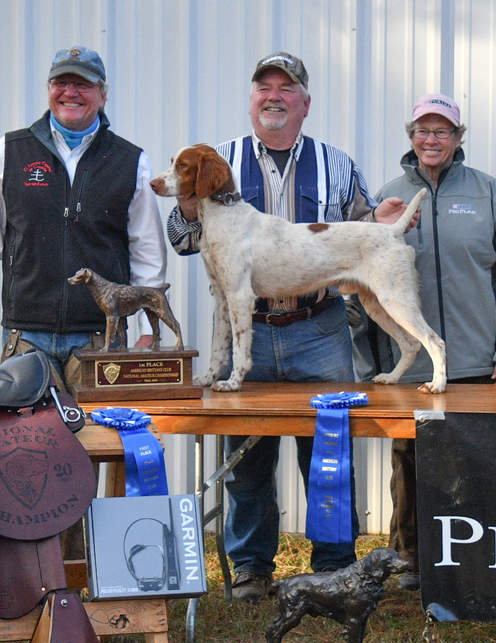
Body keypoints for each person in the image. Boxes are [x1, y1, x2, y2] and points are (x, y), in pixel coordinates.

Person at [165, 51, 409, 601]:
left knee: (328, 454)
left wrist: (383, 226)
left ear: (304, 102)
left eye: (285, 88)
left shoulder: (338, 164)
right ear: (252, 100)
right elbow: (182, 241)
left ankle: (335, 566)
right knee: (247, 458)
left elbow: (357, 236)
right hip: (250, 324)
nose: (273, 96)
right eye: (263, 87)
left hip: (317, 330)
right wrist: (185, 199)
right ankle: (251, 569)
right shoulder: (213, 162)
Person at [352, 94, 496, 589]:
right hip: (411, 369)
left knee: (477, 461)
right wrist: (372, 361)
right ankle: (409, 559)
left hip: (477, 360)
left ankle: (479, 561)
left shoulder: (489, 193)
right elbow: (361, 287)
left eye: (443, 131)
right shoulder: (387, 198)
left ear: (458, 138)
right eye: (423, 130)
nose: (432, 140)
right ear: (411, 136)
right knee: (409, 466)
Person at [0, 45, 167, 383]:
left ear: (103, 94)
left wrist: (148, 329)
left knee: (102, 436)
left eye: (83, 84)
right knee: (27, 438)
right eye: (61, 82)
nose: (70, 92)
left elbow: (147, 252)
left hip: (103, 340)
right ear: (49, 89)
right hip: (26, 338)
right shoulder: (10, 151)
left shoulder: (131, 161)